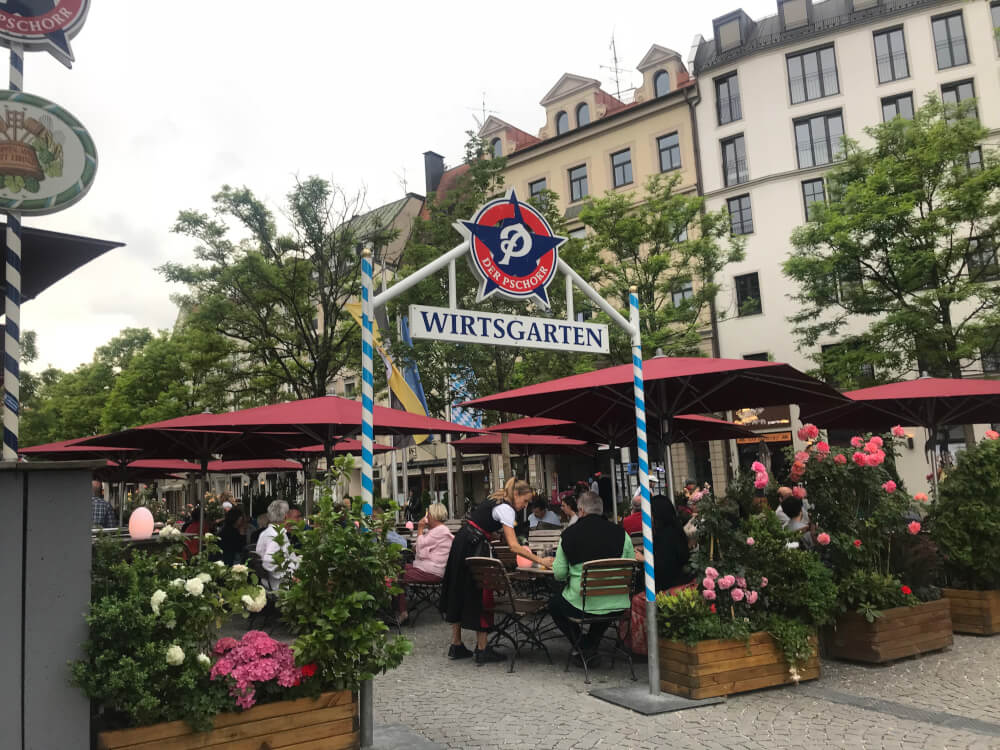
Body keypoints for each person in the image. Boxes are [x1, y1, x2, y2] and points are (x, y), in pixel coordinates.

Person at [440, 478, 553, 664]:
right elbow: (514, 546)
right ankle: (482, 649)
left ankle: (456, 644)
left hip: (461, 542)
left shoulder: (495, 499)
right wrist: (541, 560)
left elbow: (480, 523)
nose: (524, 506)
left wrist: (493, 534)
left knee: (457, 590)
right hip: (475, 546)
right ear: (516, 494)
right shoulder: (507, 509)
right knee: (483, 593)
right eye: (524, 501)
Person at [549, 491, 634, 662]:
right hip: (617, 603)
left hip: (582, 603)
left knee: (554, 604)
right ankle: (591, 643)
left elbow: (559, 574)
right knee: (604, 605)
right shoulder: (621, 534)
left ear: (580, 510)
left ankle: (582, 645)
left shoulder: (568, 535)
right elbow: (630, 565)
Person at [397, 502, 454, 624]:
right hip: (429, 569)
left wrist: (420, 528)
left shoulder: (440, 531)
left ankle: (402, 612)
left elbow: (420, 549)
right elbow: (422, 549)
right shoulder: (438, 531)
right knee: (398, 569)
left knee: (398, 574)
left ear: (434, 515)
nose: (426, 517)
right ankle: (399, 610)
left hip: (431, 572)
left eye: (428, 514)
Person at [255, 500, 300, 590]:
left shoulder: (266, 533)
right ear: (286, 516)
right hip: (281, 586)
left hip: (271, 584)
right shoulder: (276, 535)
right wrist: (290, 577)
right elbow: (268, 561)